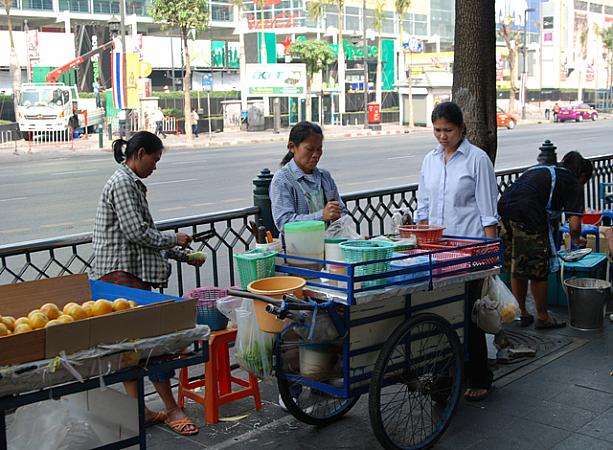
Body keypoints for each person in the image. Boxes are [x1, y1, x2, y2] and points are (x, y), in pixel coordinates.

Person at [92, 131, 205, 436]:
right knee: (151, 345)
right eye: (154, 160)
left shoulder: (130, 183)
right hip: (120, 276)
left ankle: (139, 409)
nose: (155, 166)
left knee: (132, 347)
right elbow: (136, 232)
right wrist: (174, 239)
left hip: (127, 274)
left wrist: (183, 254)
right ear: (140, 154)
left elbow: (144, 234)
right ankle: (171, 408)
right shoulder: (122, 183)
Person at [415, 101, 499, 402]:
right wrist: (420, 239)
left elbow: (488, 211)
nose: (442, 136)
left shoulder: (477, 160)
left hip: (470, 251)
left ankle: (480, 376)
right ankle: (447, 377)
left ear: (461, 129)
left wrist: (490, 254)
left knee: (468, 315)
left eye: (447, 130)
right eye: (437, 130)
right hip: (437, 250)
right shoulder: (430, 160)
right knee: (441, 313)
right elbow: (423, 204)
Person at [498, 151, 593, 331]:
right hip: (528, 213)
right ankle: (542, 317)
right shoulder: (574, 183)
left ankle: (522, 313)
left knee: (517, 264)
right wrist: (576, 238)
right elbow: (574, 225)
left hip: (504, 208)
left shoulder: (544, 170)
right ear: (582, 175)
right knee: (537, 268)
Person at [269, 121, 347, 233]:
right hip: (297, 248)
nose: (315, 155)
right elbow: (284, 223)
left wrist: (338, 216)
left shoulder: (324, 176)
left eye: (319, 149)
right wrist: (322, 216)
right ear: (292, 147)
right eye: (310, 149)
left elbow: (342, 211)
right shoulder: (282, 180)